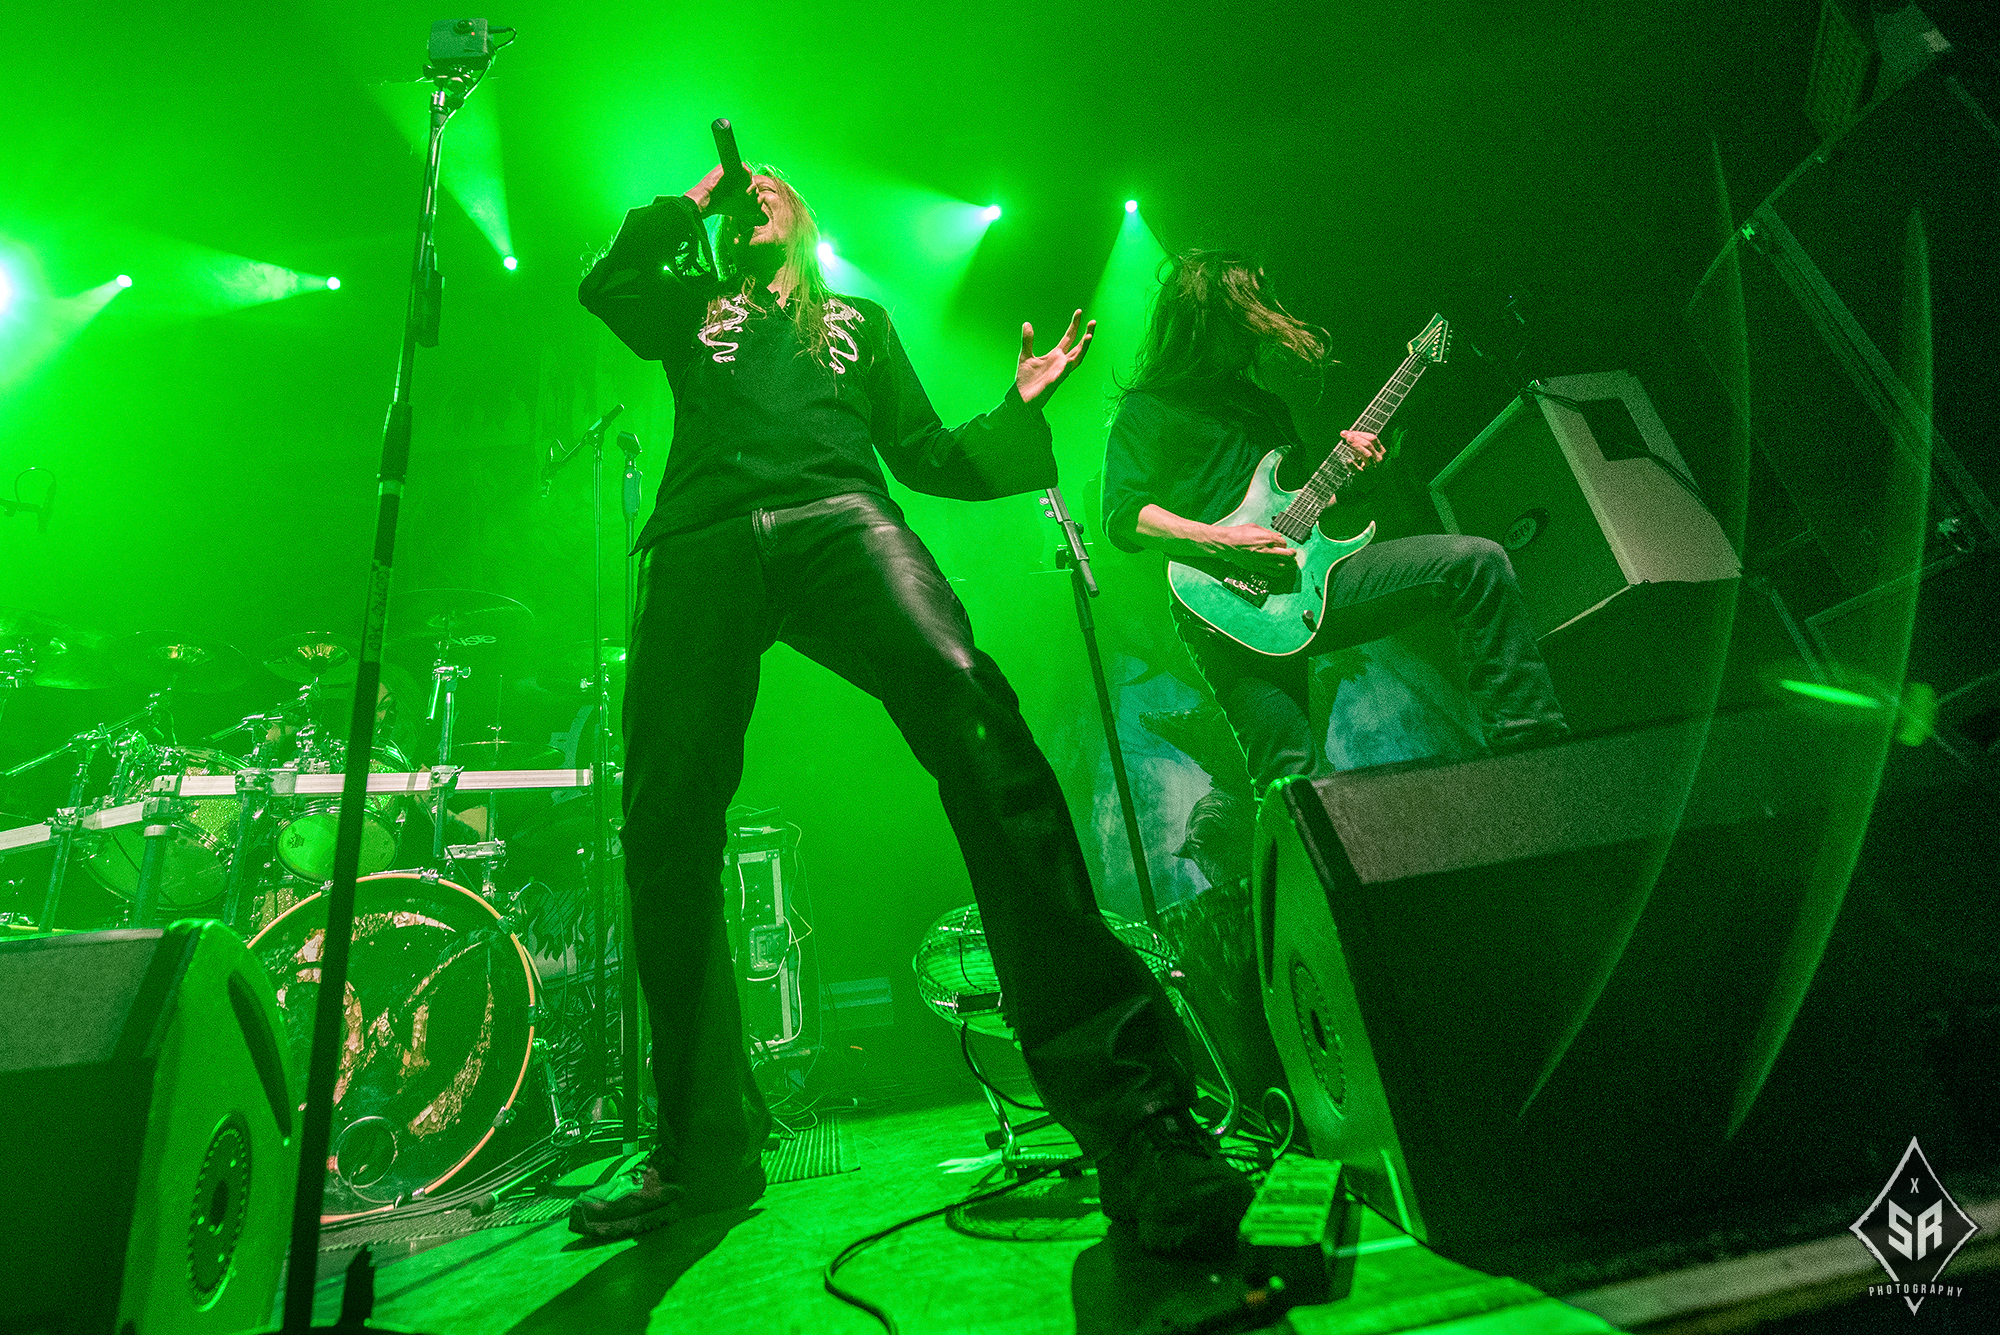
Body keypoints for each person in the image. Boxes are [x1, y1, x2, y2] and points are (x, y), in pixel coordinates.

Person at [572, 165, 1253, 1251]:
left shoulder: (859, 322)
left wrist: (1016, 411)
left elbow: (927, 454)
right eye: (740, 192)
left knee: (974, 714)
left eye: (769, 186)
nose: (753, 195)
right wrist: (688, 206)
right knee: (664, 816)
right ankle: (701, 1148)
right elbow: (607, 285)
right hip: (701, 535)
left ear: (803, 219)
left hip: (840, 512)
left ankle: (1137, 1116)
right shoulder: (692, 306)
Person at [1102, 250, 1566, 796]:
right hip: (1221, 607)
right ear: (1211, 313)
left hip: (1305, 579)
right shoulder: (1148, 408)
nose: (1264, 321)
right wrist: (1224, 541)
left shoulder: (1261, 404)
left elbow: (1300, 505)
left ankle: (1534, 753)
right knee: (1291, 779)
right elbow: (1124, 517)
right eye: (1249, 306)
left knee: (1475, 563)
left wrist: (1360, 475)